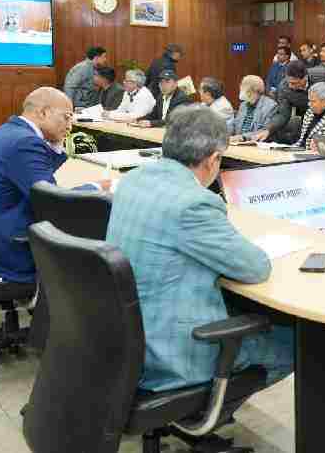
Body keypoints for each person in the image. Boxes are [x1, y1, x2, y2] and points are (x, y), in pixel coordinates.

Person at [106, 106, 293, 392]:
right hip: (173, 354)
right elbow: (256, 268)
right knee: (297, 344)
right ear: (214, 159)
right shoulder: (193, 203)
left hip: (126, 339)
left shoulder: (133, 179)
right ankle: (211, 407)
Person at [0, 87, 110, 284]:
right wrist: (96, 187)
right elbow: (52, 203)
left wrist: (55, 145)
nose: (70, 126)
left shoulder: (5, 132)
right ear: (43, 112)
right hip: (6, 250)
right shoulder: (25, 142)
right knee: (94, 255)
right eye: (66, 117)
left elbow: (37, 176)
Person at [255, 60, 325, 144]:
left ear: (304, 77)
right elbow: (283, 114)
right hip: (309, 117)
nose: (290, 86)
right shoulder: (284, 88)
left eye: (294, 83)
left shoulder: (323, 75)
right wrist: (268, 129)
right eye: (288, 82)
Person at [229, 75, 277, 143]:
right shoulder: (243, 105)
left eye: (244, 89)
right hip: (238, 143)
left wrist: (243, 137)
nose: (242, 92)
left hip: (256, 144)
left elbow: (265, 130)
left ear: (255, 90)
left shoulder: (270, 106)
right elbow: (234, 125)